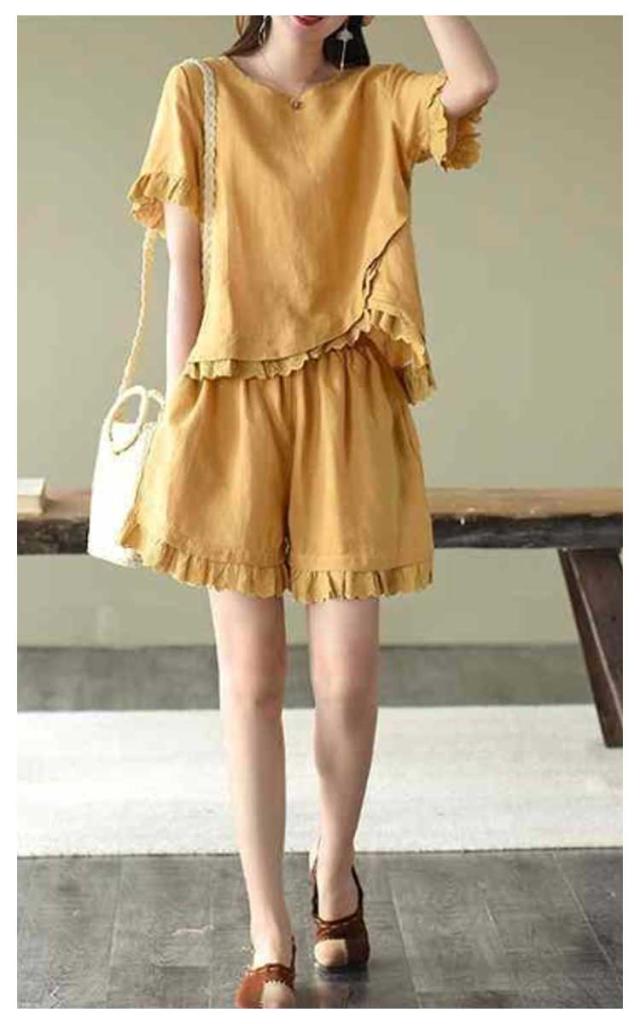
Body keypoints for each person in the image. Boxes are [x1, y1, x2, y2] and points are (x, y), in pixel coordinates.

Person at [117, 14, 498, 1009]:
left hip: (349, 405)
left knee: (347, 679)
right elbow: (187, 265)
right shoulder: (197, 88)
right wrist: (183, 420)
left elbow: (471, 82)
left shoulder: (376, 99)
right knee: (249, 680)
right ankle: (267, 928)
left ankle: (334, 873)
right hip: (231, 403)